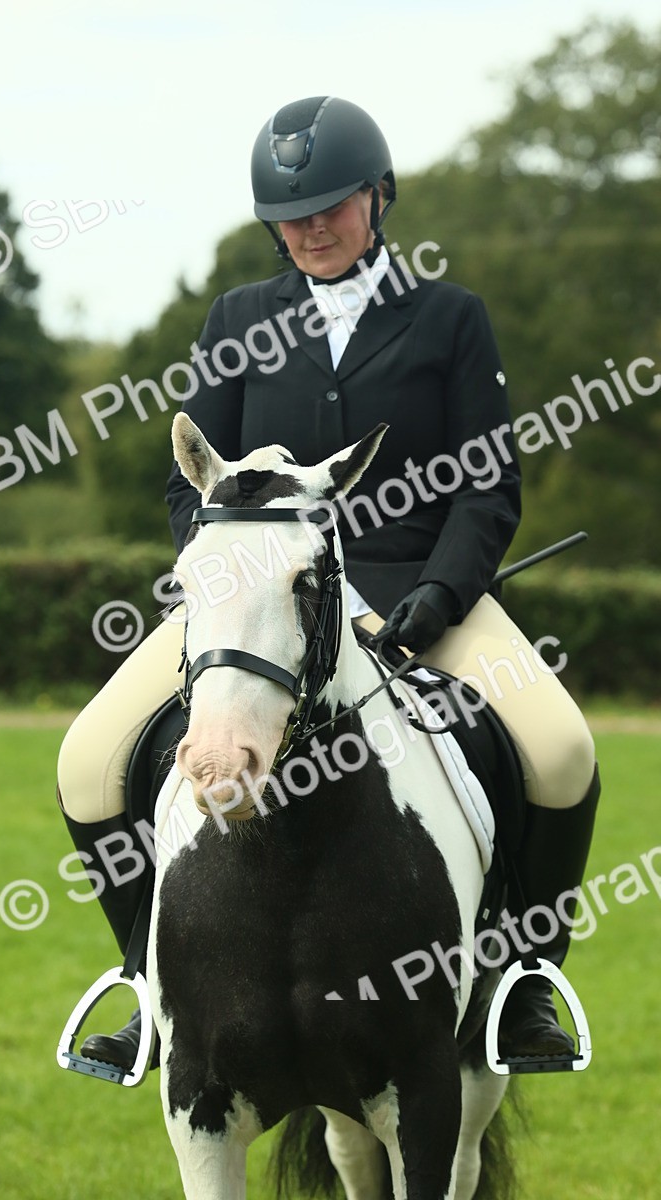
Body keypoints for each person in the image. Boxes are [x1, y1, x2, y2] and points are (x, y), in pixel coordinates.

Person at [57, 96, 600, 1074]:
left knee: (558, 749)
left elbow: (486, 486)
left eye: (330, 206)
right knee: (88, 760)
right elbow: (194, 484)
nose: (309, 228)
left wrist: (434, 599)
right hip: (260, 603)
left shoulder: (449, 318)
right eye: (290, 213)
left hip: (416, 595)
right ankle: (148, 981)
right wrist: (221, 578)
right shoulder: (236, 319)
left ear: (377, 196)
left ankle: (520, 986)